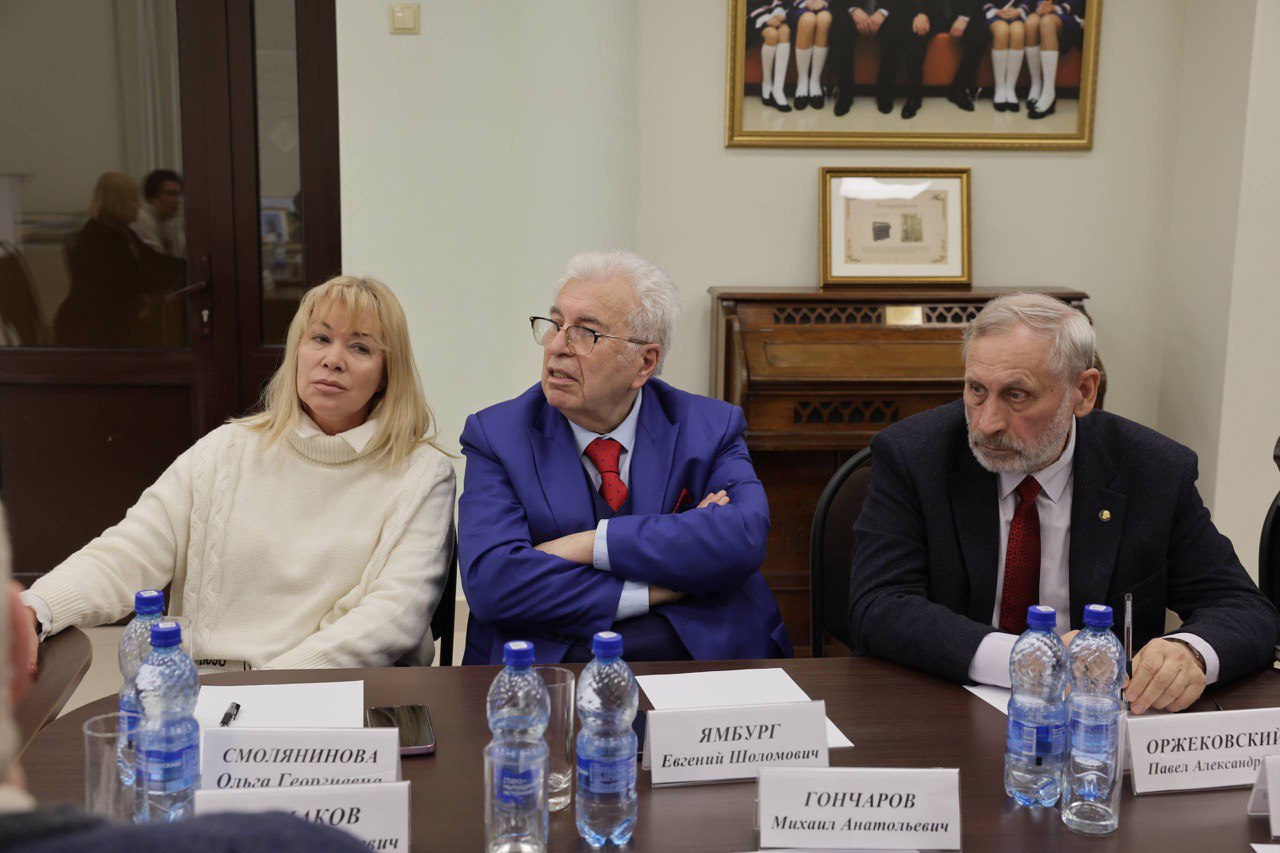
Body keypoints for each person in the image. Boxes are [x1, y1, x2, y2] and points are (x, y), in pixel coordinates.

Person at [849, 292, 1280, 714]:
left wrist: (1191, 652)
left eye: (1017, 395)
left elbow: (1244, 608)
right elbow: (878, 606)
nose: (986, 422)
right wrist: (1027, 659)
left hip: (1097, 723)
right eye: (976, 389)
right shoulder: (914, 456)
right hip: (946, 714)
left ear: (1084, 392)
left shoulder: (1154, 470)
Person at [20, 275, 455, 672]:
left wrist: (267, 689)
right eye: (320, 338)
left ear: (385, 375)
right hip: (207, 694)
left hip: (336, 697)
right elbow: (127, 554)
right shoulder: (225, 450)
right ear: (297, 352)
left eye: (360, 348)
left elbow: (393, 615)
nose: (332, 360)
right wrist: (35, 608)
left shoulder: (421, 472)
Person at [458, 250, 791, 665]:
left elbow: (741, 537)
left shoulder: (710, 427)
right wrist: (654, 588)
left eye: (585, 333)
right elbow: (494, 583)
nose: (557, 346)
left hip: (698, 654)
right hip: (555, 662)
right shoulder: (496, 435)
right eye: (556, 324)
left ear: (644, 362)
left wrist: (589, 545)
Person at [0, 505, 368, 850]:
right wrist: (38, 607)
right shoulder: (214, 462)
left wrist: (260, 692)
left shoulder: (408, 476)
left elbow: (383, 616)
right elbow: (125, 553)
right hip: (191, 724)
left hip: (316, 720)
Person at [54, 172, 177, 347]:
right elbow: (138, 279)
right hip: (92, 329)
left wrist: (188, 267)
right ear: (117, 202)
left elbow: (156, 260)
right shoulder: (100, 237)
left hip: (107, 323)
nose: (139, 206)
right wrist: (183, 278)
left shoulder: (121, 231)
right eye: (133, 200)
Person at [874, 0, 940, 119]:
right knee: (892, 31)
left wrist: (924, 14)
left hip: (930, 12)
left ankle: (915, 95)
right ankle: (884, 88)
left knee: (916, 36)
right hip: (896, 10)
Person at [1027, 0, 1085, 118]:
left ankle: (1049, 93)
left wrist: (1056, 8)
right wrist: (1041, 5)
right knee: (1031, 23)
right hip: (1042, 11)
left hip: (1070, 15)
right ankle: (1036, 85)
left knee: (1047, 22)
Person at [944, 0, 993, 111]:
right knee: (979, 33)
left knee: (983, 30)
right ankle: (959, 87)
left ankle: (961, 85)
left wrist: (965, 17)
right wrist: (963, 17)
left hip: (975, 12)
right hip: (944, 11)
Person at [788, 0, 834, 110]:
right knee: (808, 20)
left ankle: (815, 81)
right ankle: (802, 81)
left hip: (825, 6)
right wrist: (805, 3)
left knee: (824, 19)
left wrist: (824, 2)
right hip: (798, 7)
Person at [748, 0, 793, 112]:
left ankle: (778, 88)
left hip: (776, 12)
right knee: (772, 35)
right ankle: (766, 83)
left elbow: (786, 3)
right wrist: (766, 18)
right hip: (754, 16)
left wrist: (779, 13)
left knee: (785, 31)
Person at [131, 169, 186, 259]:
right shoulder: (142, 219)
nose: (176, 200)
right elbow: (157, 259)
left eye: (178, 194)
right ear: (153, 197)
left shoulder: (170, 222)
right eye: (170, 194)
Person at [984, 0, 1027, 112]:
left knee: (1018, 32)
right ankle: (1000, 88)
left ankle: (1010, 88)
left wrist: (1019, 10)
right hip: (994, 13)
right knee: (1001, 30)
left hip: (1017, 14)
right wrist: (995, 11)